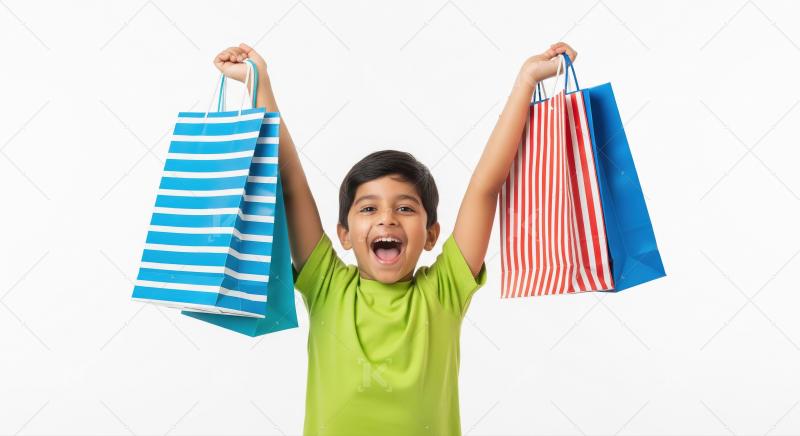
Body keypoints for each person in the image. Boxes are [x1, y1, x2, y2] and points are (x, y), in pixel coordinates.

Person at [214, 41, 577, 436]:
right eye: (368, 209)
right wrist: (260, 82)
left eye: (405, 208)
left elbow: (486, 187)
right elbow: (291, 185)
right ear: (345, 235)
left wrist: (525, 83)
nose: (386, 219)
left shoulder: (444, 290)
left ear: (431, 234)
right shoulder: (326, 285)